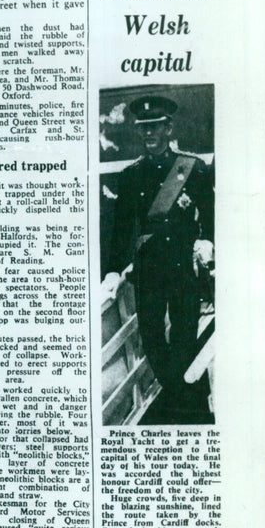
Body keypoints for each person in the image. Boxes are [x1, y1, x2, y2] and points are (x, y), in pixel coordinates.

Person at [102, 94, 214, 422]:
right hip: (148, 272)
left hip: (183, 270)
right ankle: (184, 396)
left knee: (183, 338)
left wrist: (207, 239)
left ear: (168, 128)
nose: (149, 134)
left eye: (155, 127)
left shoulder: (192, 168)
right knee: (151, 339)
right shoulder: (130, 175)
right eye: (143, 128)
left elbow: (210, 212)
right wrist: (111, 272)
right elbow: (121, 230)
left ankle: (182, 407)